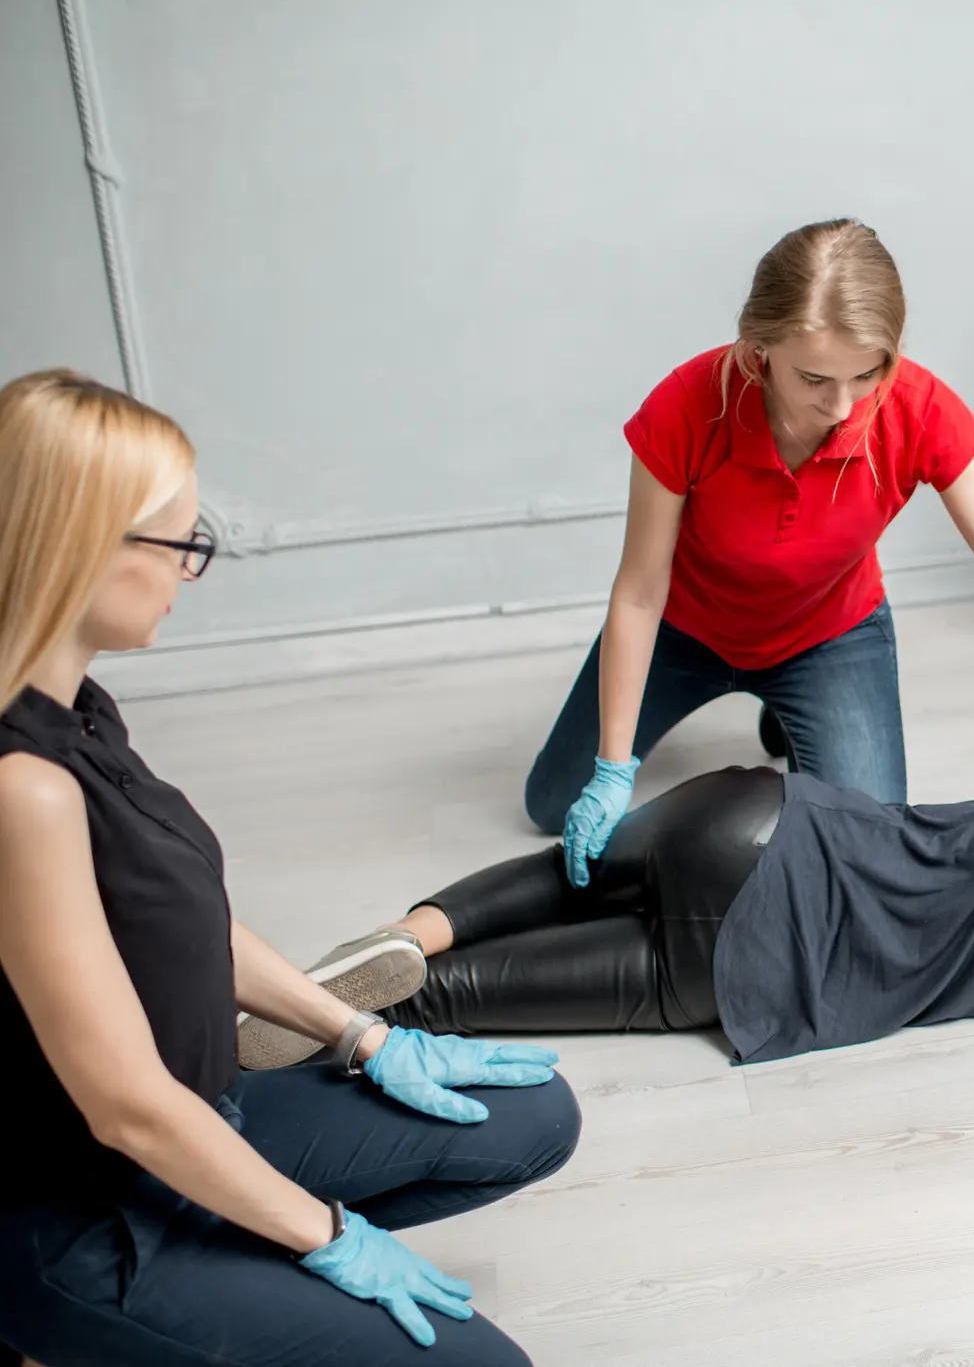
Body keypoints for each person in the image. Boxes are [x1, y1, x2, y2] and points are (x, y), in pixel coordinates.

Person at [0, 371, 582, 1365]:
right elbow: (126, 1105)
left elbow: (175, 919)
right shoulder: (23, 790)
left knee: (531, 1113)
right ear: (80, 546)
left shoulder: (80, 710)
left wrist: (361, 1036)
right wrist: (326, 1235)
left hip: (197, 1115)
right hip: (90, 1217)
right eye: (181, 544)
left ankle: (232, 1265)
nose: (190, 570)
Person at [528, 218, 974, 895]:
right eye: (813, 378)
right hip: (686, 630)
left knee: (866, 845)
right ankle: (767, 709)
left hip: (826, 639)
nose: (841, 404)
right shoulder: (687, 404)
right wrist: (614, 769)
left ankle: (790, 706)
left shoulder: (923, 412)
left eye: (867, 373)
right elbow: (639, 593)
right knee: (552, 804)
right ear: (756, 349)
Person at [268, 766, 974, 1089]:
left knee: (567, 866)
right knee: (454, 1008)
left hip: (762, 819)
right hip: (747, 970)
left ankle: (417, 924)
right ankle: (345, 1011)